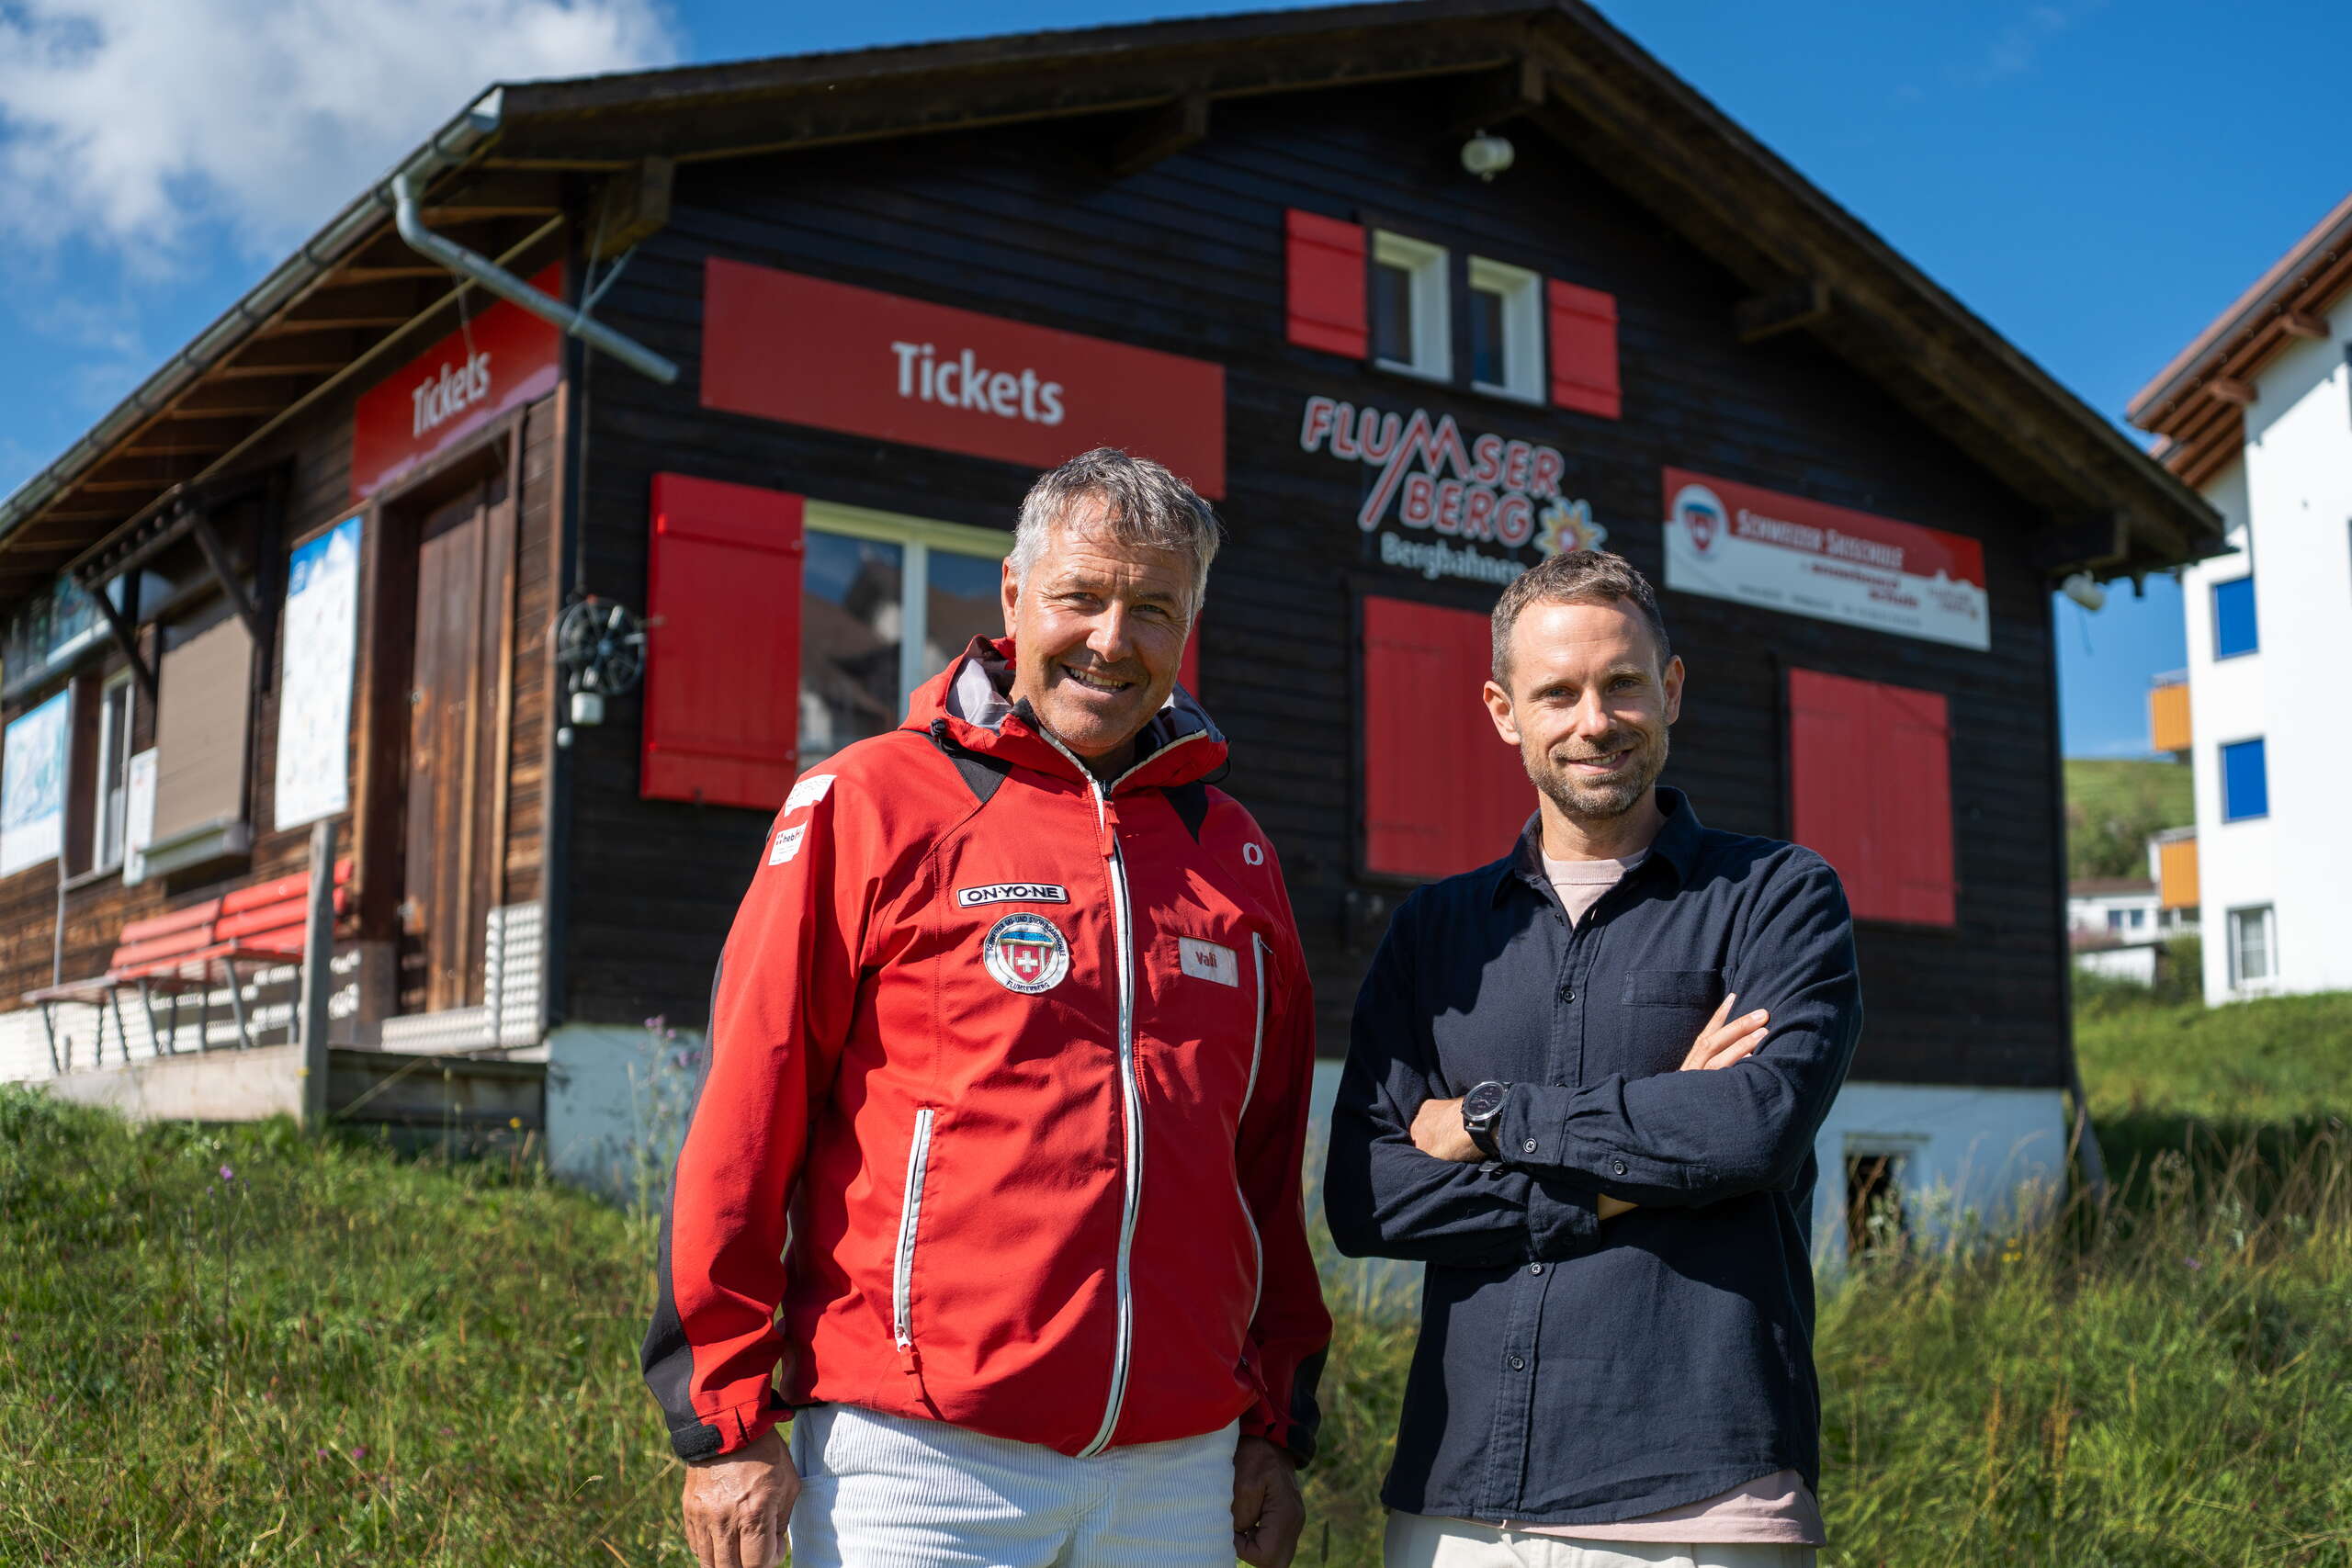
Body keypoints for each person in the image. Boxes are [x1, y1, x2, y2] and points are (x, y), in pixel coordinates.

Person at [641, 447, 1329, 1568]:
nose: (1113, 640)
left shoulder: (1235, 854)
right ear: (1012, 596)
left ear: (1189, 623)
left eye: (1154, 608)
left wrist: (1272, 1424)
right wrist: (722, 1417)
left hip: (1177, 1471)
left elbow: (1262, 1169)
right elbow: (744, 1118)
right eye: (1081, 597)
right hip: (916, 1466)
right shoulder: (871, 799)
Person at [1323, 549, 1862, 1568]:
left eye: (1621, 684)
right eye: (1556, 693)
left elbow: (1751, 1131)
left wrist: (1488, 1120)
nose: (1593, 720)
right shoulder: (1435, 936)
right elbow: (1368, 1198)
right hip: (1461, 1507)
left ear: (1669, 689)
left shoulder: (1779, 899)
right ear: (1502, 710)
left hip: (1702, 1505)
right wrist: (1642, 1157)